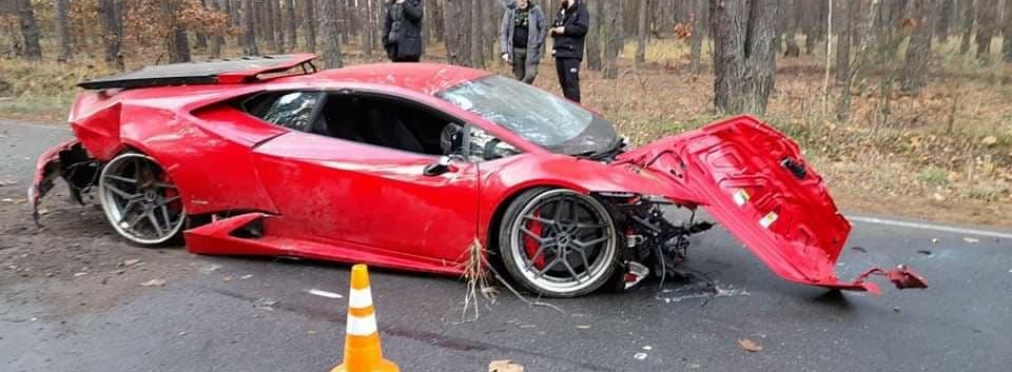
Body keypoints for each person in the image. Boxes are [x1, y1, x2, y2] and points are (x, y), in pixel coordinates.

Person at [499, 0, 548, 84]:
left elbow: (544, 27)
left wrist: (539, 42)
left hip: (532, 50)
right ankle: (522, 93)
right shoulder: (510, 10)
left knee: (531, 74)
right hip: (515, 51)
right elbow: (504, 31)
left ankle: (521, 88)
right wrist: (505, 51)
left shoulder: (535, 10)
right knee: (519, 77)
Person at [550, 0, 589, 102]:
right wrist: (553, 30)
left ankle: (576, 111)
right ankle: (569, 109)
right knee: (564, 85)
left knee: (571, 85)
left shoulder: (581, 10)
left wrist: (565, 29)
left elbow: (582, 29)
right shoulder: (562, 10)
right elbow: (555, 25)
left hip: (572, 53)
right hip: (559, 52)